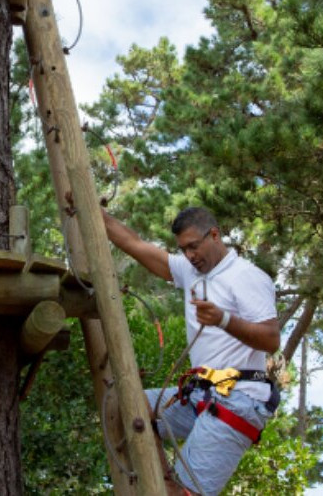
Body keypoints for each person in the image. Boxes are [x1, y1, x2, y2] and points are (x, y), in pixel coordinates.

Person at [101, 206, 280, 495]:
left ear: (214, 235)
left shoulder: (246, 276)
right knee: (127, 404)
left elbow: (271, 339)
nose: (190, 256)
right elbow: (137, 245)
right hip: (200, 394)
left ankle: (174, 489)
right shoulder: (190, 270)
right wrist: (98, 215)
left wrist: (223, 319)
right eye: (184, 249)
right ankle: (166, 483)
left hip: (238, 399)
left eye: (194, 246)